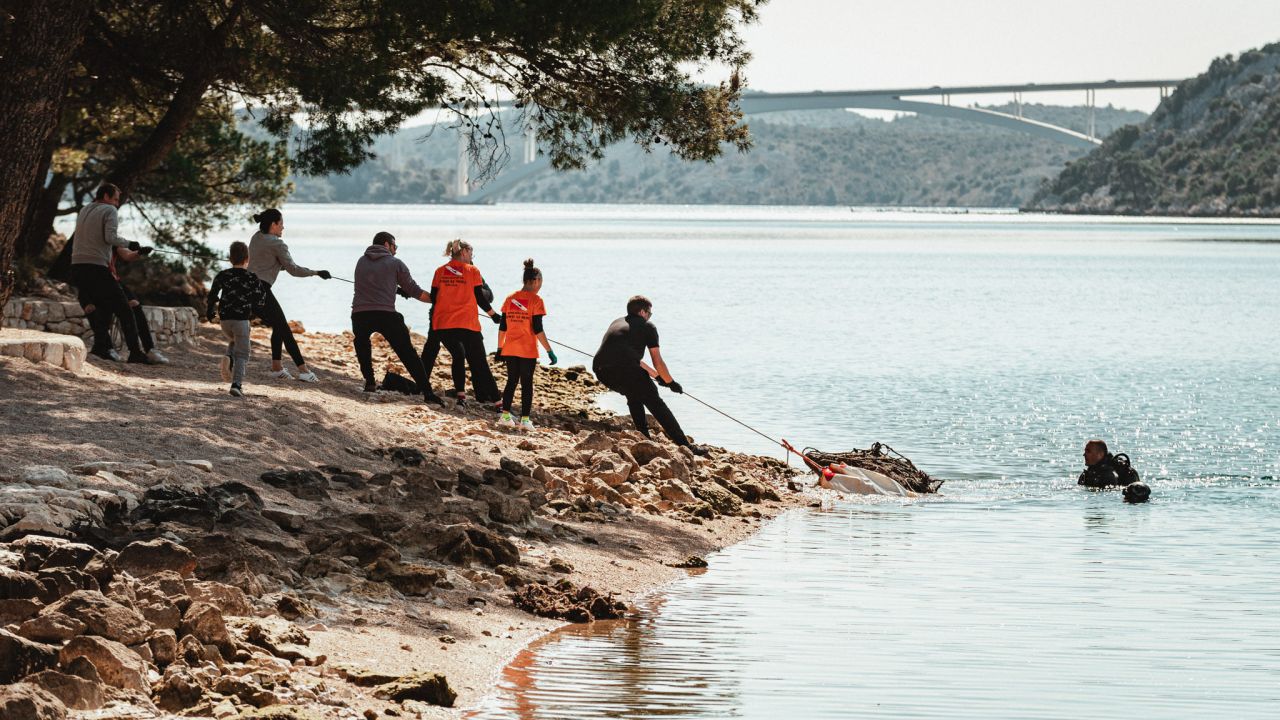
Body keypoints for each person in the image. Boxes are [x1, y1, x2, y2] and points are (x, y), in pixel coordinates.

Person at [593, 295, 707, 455]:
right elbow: (657, 361)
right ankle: (687, 446)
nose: (649, 316)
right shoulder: (648, 326)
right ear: (642, 312)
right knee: (656, 403)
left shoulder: (617, 322)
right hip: (624, 368)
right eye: (649, 313)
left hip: (601, 371)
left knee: (633, 393)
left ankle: (644, 435)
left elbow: (631, 358)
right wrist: (671, 382)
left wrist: (658, 377)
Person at [68, 183, 157, 364]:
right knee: (125, 308)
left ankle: (100, 348)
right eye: (116, 199)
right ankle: (135, 353)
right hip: (97, 268)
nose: (116, 204)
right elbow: (110, 237)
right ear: (107, 196)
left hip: (77, 267)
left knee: (105, 307)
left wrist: (135, 251)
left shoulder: (85, 210)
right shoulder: (109, 210)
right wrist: (129, 243)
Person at [351, 232, 443, 405]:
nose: (395, 251)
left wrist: (395, 289)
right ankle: (427, 392)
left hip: (359, 314)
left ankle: (370, 382)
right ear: (387, 245)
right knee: (408, 353)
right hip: (385, 314)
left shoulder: (361, 261)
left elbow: (374, 282)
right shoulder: (396, 263)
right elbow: (415, 291)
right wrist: (439, 300)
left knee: (362, 343)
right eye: (395, 247)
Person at [246, 208, 330, 382]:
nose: (283, 228)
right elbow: (293, 269)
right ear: (273, 224)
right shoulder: (278, 244)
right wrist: (315, 272)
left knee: (278, 326)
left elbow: (270, 261)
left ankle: (277, 369)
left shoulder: (256, 238)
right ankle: (304, 370)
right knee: (284, 328)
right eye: (281, 224)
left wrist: (279, 264)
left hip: (247, 288)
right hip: (261, 290)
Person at [428, 239, 502, 409]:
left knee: (458, 355)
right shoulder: (472, 270)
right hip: (466, 324)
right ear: (463, 252)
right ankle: (501, 409)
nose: (471, 257)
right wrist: (494, 315)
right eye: (471, 253)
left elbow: (433, 297)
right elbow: (480, 298)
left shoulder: (440, 271)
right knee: (481, 365)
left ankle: (461, 399)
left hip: (442, 326)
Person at [80, 244, 168, 364]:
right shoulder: (87, 240)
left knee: (134, 303)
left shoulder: (112, 240)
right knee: (92, 308)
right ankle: (108, 348)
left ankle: (149, 349)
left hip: (111, 279)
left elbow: (128, 255)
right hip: (90, 281)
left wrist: (139, 252)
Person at [496, 259, 557, 431]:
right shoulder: (537, 301)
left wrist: (500, 348)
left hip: (510, 348)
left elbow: (503, 327)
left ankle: (505, 417)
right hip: (527, 350)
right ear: (536, 280)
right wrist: (549, 350)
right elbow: (538, 329)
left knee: (511, 382)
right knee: (527, 385)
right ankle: (524, 421)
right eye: (541, 282)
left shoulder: (510, 298)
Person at [205, 241, 267, 397]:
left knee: (234, 341)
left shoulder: (223, 275)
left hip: (225, 321)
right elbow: (261, 299)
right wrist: (253, 305)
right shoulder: (251, 277)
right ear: (247, 259)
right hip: (241, 320)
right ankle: (236, 384)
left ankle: (228, 357)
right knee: (243, 353)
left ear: (230, 259)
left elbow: (212, 295)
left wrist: (209, 312)